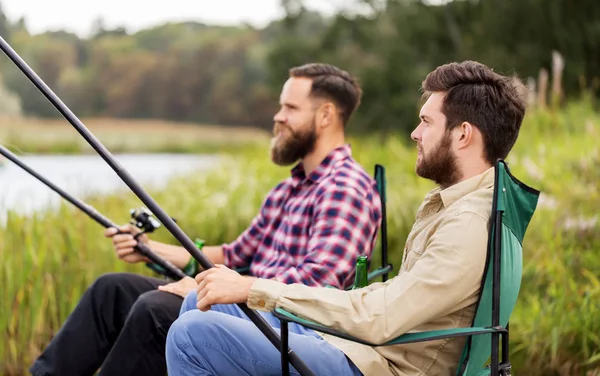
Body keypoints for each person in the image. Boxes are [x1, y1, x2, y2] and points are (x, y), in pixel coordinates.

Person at [165, 60, 528, 376]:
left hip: (381, 365)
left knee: (190, 335)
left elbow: (383, 316)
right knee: (201, 300)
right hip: (367, 348)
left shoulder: (465, 225)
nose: (415, 133)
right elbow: (397, 299)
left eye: (426, 122)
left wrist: (256, 289)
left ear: (463, 134)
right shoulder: (464, 203)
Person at [30, 63, 382, 376]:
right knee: (112, 290)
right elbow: (233, 255)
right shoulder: (289, 188)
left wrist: (215, 289)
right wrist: (151, 249)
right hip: (240, 301)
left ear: (325, 115)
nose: (278, 116)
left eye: (290, 107)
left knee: (154, 310)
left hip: (279, 323)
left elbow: (319, 283)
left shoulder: (344, 187)